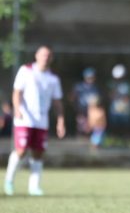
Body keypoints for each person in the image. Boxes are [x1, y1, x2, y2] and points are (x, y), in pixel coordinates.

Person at [4, 45, 66, 196]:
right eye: (43, 54)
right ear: (37, 56)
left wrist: (60, 121)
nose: (45, 57)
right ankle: (9, 180)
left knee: (38, 153)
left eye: (48, 55)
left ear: (51, 58)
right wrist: (17, 109)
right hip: (24, 118)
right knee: (21, 150)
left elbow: (57, 102)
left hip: (41, 121)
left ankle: (34, 187)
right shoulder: (26, 71)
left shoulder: (53, 79)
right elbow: (17, 92)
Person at [70, 67, 100, 137]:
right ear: (85, 77)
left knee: (90, 129)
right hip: (81, 111)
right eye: (88, 77)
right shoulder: (79, 86)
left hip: (92, 112)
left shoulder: (95, 88)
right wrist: (75, 107)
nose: (90, 79)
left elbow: (99, 99)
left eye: (92, 77)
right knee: (81, 128)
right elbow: (72, 97)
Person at [108, 64, 130, 147]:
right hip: (115, 108)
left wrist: (124, 99)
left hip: (125, 108)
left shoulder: (127, 85)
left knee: (125, 126)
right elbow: (110, 95)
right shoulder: (112, 84)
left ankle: (126, 142)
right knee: (114, 126)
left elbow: (129, 97)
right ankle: (114, 141)